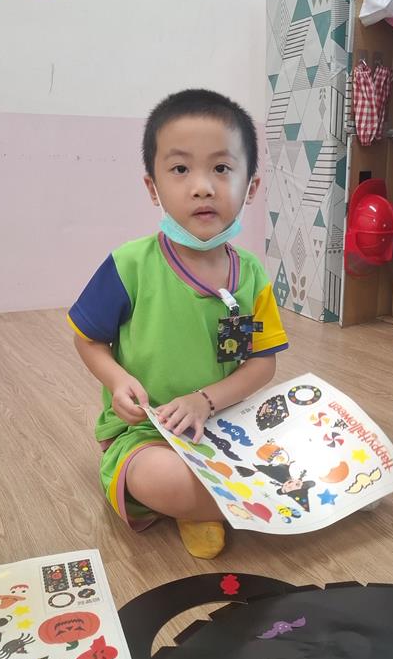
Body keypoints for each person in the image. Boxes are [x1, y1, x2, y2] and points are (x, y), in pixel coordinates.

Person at [68, 88, 288, 559]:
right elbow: (88, 340)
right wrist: (118, 381)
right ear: (153, 188)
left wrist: (205, 401)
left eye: (222, 168)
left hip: (228, 427)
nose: (202, 186)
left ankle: (238, 498)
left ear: (251, 187)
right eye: (181, 169)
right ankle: (253, 500)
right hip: (149, 434)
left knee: (304, 437)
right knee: (160, 478)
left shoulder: (251, 275)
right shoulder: (129, 265)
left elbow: (261, 364)